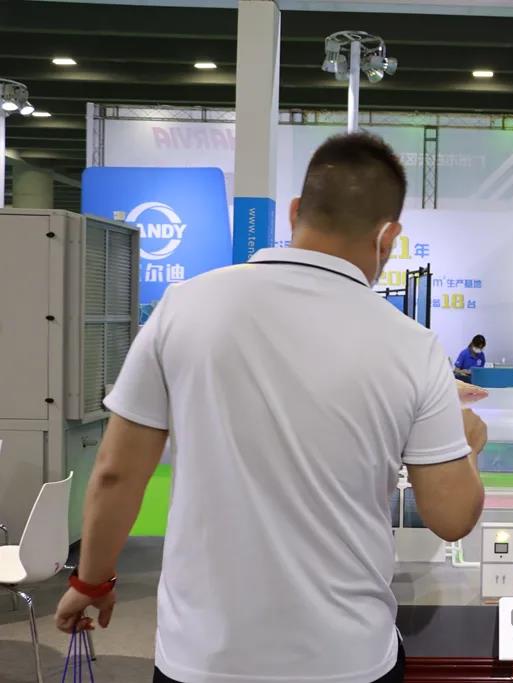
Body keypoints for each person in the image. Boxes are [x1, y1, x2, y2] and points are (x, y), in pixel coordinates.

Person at [54, 132, 488, 683]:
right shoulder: (412, 346)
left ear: (294, 211)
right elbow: (451, 518)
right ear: (389, 237)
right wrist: (469, 445)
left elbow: (116, 472)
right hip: (348, 659)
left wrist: (91, 582)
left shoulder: (184, 306)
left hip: (203, 659)